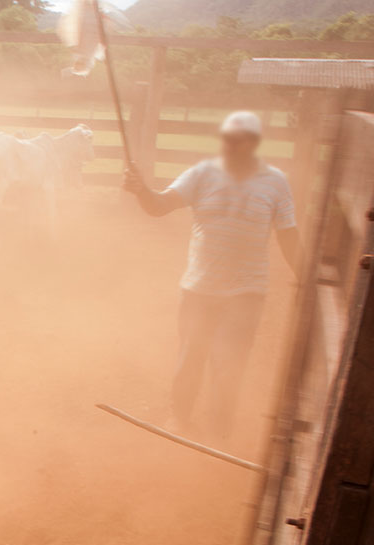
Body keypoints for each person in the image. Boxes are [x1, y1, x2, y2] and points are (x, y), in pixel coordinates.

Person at [123, 110, 299, 440]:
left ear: (253, 143)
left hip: (247, 291)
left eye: (238, 140)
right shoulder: (202, 175)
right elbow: (159, 206)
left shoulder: (275, 182)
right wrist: (141, 190)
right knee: (191, 354)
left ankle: (220, 430)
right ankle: (179, 418)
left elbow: (288, 233)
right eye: (226, 139)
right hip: (199, 288)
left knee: (229, 362)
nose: (229, 146)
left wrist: (304, 275)